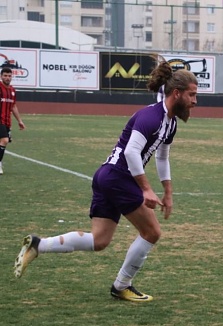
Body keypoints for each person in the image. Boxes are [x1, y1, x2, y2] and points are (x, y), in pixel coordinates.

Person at [13, 57, 198, 302]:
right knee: (152, 232)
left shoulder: (170, 123)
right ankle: (122, 285)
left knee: (99, 240)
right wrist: (146, 189)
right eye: (192, 95)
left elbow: (162, 156)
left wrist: (168, 192)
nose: (195, 101)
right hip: (118, 177)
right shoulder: (151, 117)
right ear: (177, 93)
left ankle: (38, 245)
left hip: (107, 176)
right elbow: (131, 152)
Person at [0, 67, 26, 175]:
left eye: (9, 76)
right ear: (1, 76)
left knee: (3, 143)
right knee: (4, 140)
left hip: (7, 121)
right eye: (5, 75)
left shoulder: (12, 90)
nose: (7, 78)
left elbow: (13, 106)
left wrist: (20, 120)